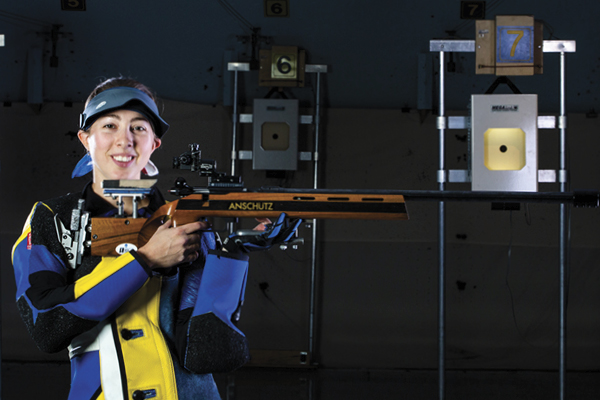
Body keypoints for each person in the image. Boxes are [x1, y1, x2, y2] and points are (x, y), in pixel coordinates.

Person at [11, 77, 300, 400]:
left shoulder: (181, 221)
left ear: (154, 144)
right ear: (85, 138)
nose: (125, 141)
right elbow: (46, 325)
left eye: (139, 128)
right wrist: (145, 261)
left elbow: (208, 352)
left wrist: (234, 254)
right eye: (109, 126)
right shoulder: (52, 218)